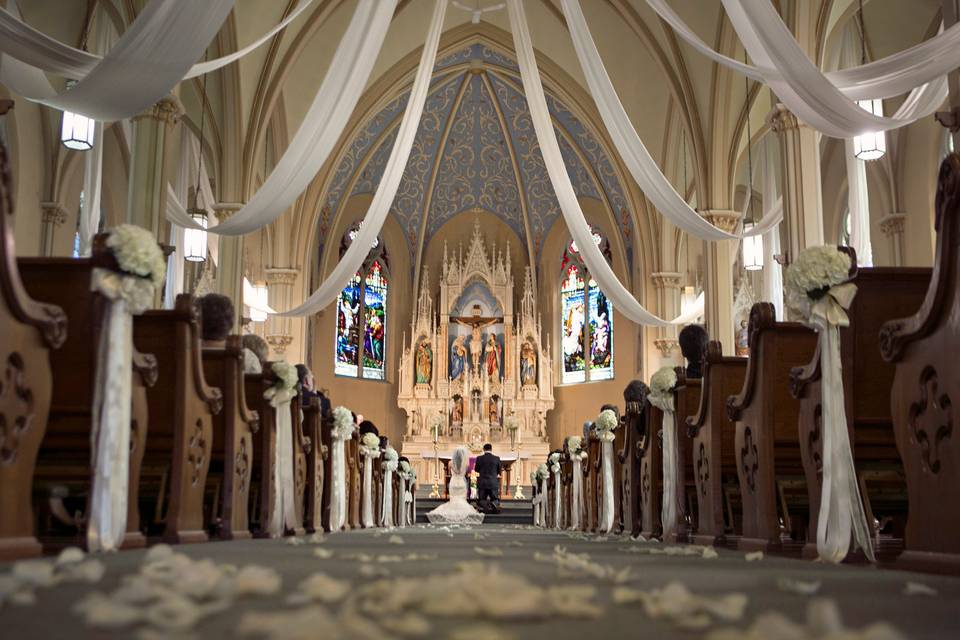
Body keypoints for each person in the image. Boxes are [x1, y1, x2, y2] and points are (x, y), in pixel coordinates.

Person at [426, 446, 484, 525]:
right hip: (462, 483)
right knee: (462, 500)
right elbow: (466, 473)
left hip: (453, 482)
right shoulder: (466, 464)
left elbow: (450, 473)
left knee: (453, 500)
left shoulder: (450, 463)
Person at [473, 443, 501, 513]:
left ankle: (484, 506)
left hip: (482, 482)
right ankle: (493, 504)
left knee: (482, 499)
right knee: (495, 499)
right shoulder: (496, 458)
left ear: (484, 449)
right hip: (493, 482)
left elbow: (476, 469)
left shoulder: (479, 458)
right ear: (491, 449)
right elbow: (499, 471)